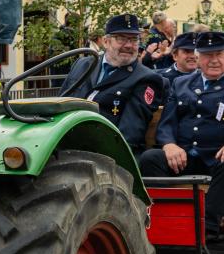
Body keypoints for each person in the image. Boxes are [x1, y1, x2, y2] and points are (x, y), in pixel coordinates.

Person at [138, 31, 224, 240]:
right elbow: (167, 122)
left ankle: (206, 228)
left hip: (222, 155)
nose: (214, 60)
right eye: (207, 55)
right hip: (187, 156)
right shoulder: (181, 83)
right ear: (197, 57)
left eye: (219, 54)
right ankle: (166, 222)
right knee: (150, 159)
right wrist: (169, 145)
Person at [59, 14, 164, 155]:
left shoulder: (145, 78)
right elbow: (60, 103)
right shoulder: (83, 64)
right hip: (63, 143)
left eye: (134, 39)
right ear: (106, 41)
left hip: (105, 154)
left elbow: (128, 135)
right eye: (121, 38)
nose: (128, 45)